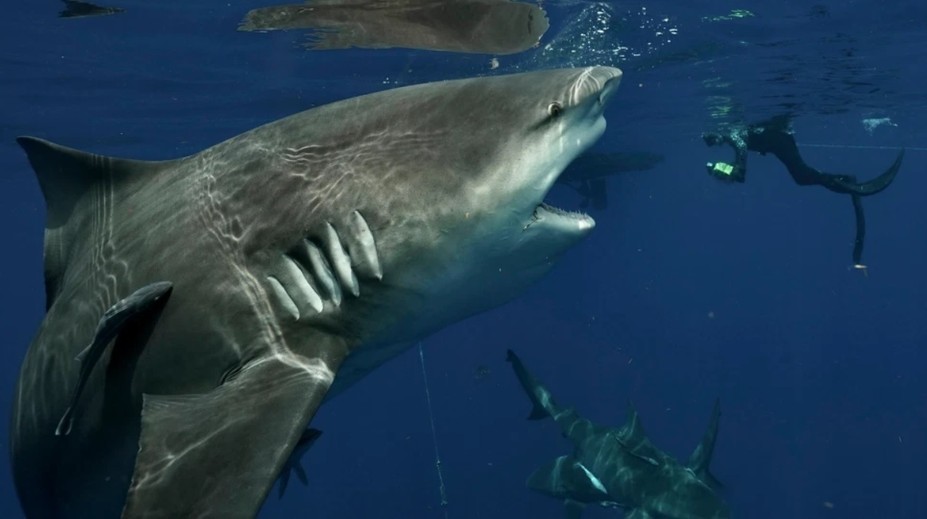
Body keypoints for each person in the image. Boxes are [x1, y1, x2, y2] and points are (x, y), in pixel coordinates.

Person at [702, 116, 904, 271]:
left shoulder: (734, 135)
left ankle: (845, 182)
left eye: (713, 139)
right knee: (802, 177)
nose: (716, 143)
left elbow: (740, 173)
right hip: (778, 141)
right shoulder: (733, 135)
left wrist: (719, 170)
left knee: (802, 176)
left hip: (780, 140)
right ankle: (844, 181)